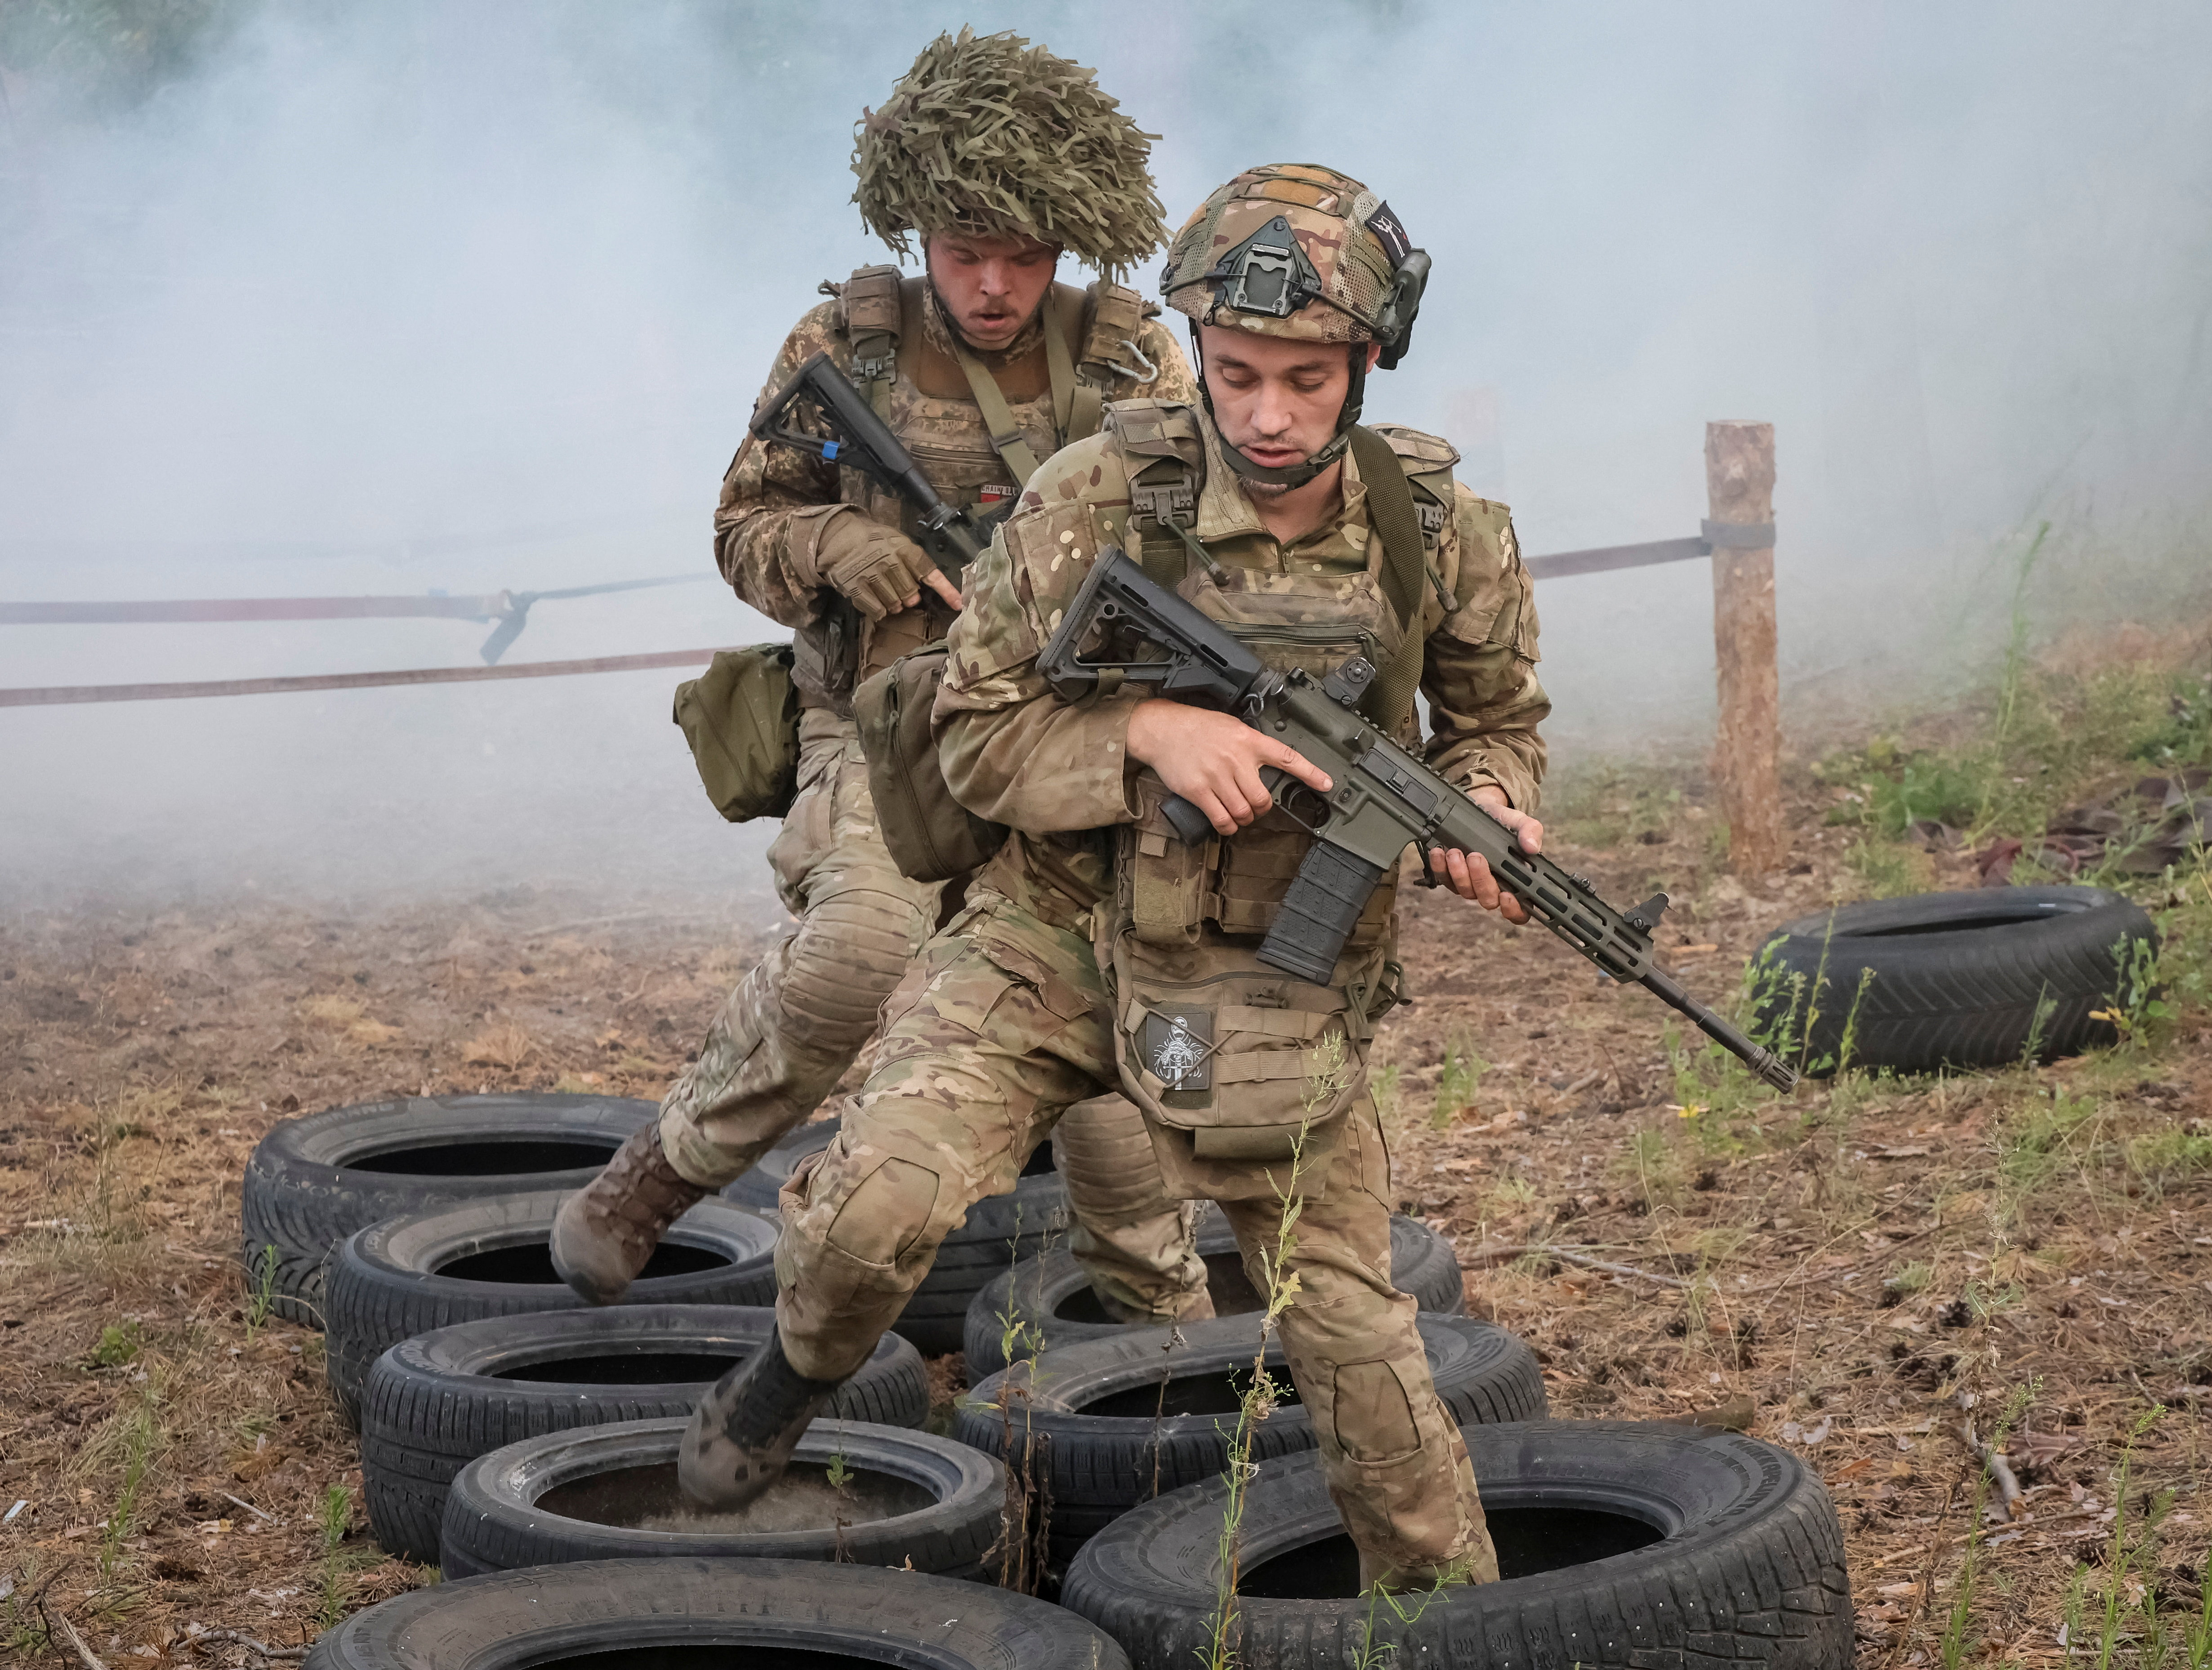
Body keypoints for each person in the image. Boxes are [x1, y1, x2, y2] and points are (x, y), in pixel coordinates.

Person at [679, 162, 1548, 1591]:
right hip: (1052, 933)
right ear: (1198, 347)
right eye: (1238, 372)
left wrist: (1494, 804)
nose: (1268, 414)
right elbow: (970, 730)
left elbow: (1497, 721)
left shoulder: (1441, 532)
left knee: (1353, 1336)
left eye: (1308, 380)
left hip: (1267, 973)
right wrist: (1146, 732)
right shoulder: (1091, 496)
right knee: (870, 1218)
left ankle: (1445, 1616)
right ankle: (791, 1372)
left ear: (1368, 363)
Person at [550, 29, 1209, 1332]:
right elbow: (744, 528)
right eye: (966, 252)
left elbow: (1200, 549)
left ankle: (1163, 1354)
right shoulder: (846, 346)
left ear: (1070, 242)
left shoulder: (1132, 357)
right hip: (883, 725)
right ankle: (651, 1181)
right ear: (918, 230)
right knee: (853, 957)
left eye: (1026, 255)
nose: (995, 285)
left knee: (1108, 1032)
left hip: (1067, 734)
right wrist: (838, 546)